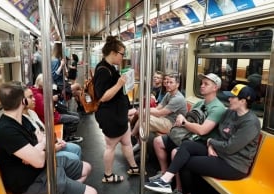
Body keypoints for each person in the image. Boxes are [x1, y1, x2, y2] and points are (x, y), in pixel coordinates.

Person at [145, 84, 261, 194]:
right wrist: (210, 145)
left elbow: (230, 147)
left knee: (185, 162)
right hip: (219, 152)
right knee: (187, 145)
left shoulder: (250, 123)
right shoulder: (230, 113)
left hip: (233, 164)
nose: (229, 99)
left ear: (243, 101)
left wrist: (211, 142)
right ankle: (166, 179)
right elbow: (218, 133)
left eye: (232, 97)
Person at [0, 82, 97, 194]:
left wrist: (38, 148)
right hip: (31, 183)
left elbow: (42, 143)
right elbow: (39, 160)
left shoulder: (22, 120)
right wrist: (41, 145)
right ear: (23, 101)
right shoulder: (7, 130)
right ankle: (65, 191)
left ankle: (65, 191)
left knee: (87, 168)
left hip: (43, 168)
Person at [150, 73, 226, 181]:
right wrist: (181, 118)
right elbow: (188, 118)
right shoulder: (199, 103)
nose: (202, 86)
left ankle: (179, 190)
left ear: (215, 88)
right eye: (201, 83)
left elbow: (202, 131)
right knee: (158, 141)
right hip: (190, 135)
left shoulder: (218, 108)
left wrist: (184, 122)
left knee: (176, 152)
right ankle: (164, 173)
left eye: (206, 84)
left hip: (203, 143)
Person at [93, 35, 139, 183]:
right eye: (121, 54)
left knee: (126, 142)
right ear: (113, 53)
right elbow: (103, 96)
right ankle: (108, 175)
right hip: (110, 116)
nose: (122, 57)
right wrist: (119, 84)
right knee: (110, 146)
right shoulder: (102, 70)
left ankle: (134, 167)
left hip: (119, 113)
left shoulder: (111, 68)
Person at [22, 84, 81, 160]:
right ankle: (69, 137)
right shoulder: (23, 121)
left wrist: (57, 140)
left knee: (77, 148)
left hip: (49, 142)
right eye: (30, 97)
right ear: (23, 101)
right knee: (74, 157)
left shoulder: (32, 113)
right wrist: (53, 147)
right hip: (46, 149)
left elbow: (43, 131)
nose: (34, 99)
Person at [131, 74, 187, 153]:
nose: (168, 84)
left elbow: (159, 113)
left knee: (145, 120)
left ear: (177, 85)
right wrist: (146, 111)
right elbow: (159, 107)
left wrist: (146, 110)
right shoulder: (168, 94)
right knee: (144, 116)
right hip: (165, 118)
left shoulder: (178, 98)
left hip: (172, 124)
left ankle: (134, 137)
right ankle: (138, 143)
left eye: (171, 82)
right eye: (167, 82)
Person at [32, 73, 83, 143]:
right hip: (52, 118)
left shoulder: (37, 92)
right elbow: (46, 111)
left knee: (73, 114)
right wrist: (52, 100)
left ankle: (68, 134)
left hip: (53, 114)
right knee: (76, 119)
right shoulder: (38, 96)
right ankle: (67, 137)